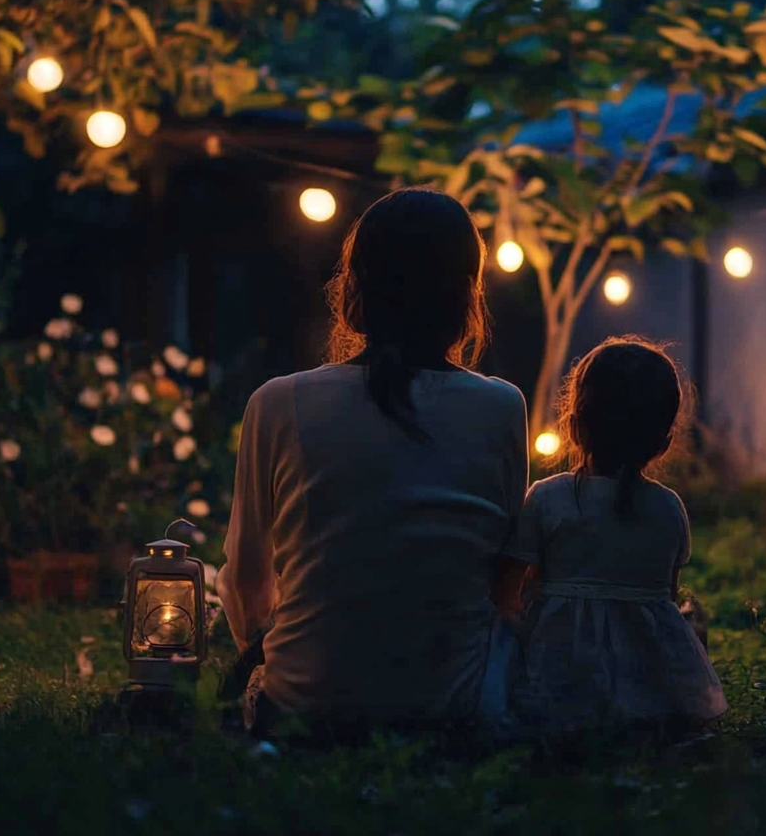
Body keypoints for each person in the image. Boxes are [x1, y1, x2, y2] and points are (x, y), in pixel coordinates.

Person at [215, 187, 529, 739]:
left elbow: (245, 583)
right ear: (466, 297)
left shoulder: (277, 401)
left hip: (302, 705)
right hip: (455, 709)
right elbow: (502, 578)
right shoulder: (502, 406)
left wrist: (272, 655)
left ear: (355, 288)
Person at [496, 336, 728, 735]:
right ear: (664, 437)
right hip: (651, 688)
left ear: (573, 423)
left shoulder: (548, 498)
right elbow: (664, 597)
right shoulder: (669, 508)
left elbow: (507, 596)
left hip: (558, 679)